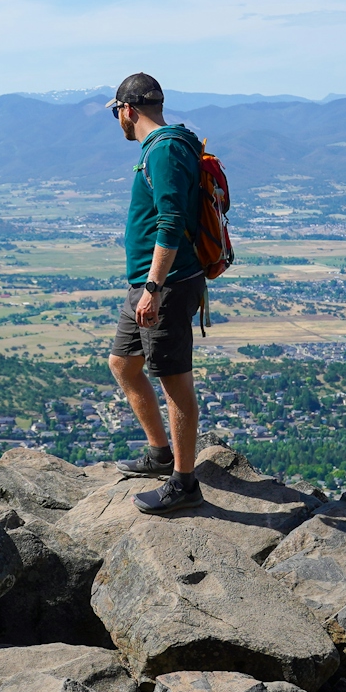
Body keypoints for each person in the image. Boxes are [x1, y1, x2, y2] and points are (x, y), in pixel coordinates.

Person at [105, 73, 206, 515]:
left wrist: (153, 288)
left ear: (128, 110)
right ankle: (160, 454)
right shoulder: (161, 147)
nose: (118, 121)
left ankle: (184, 483)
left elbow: (170, 221)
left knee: (173, 381)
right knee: (123, 364)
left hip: (164, 285)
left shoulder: (164, 150)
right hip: (147, 285)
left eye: (116, 114)